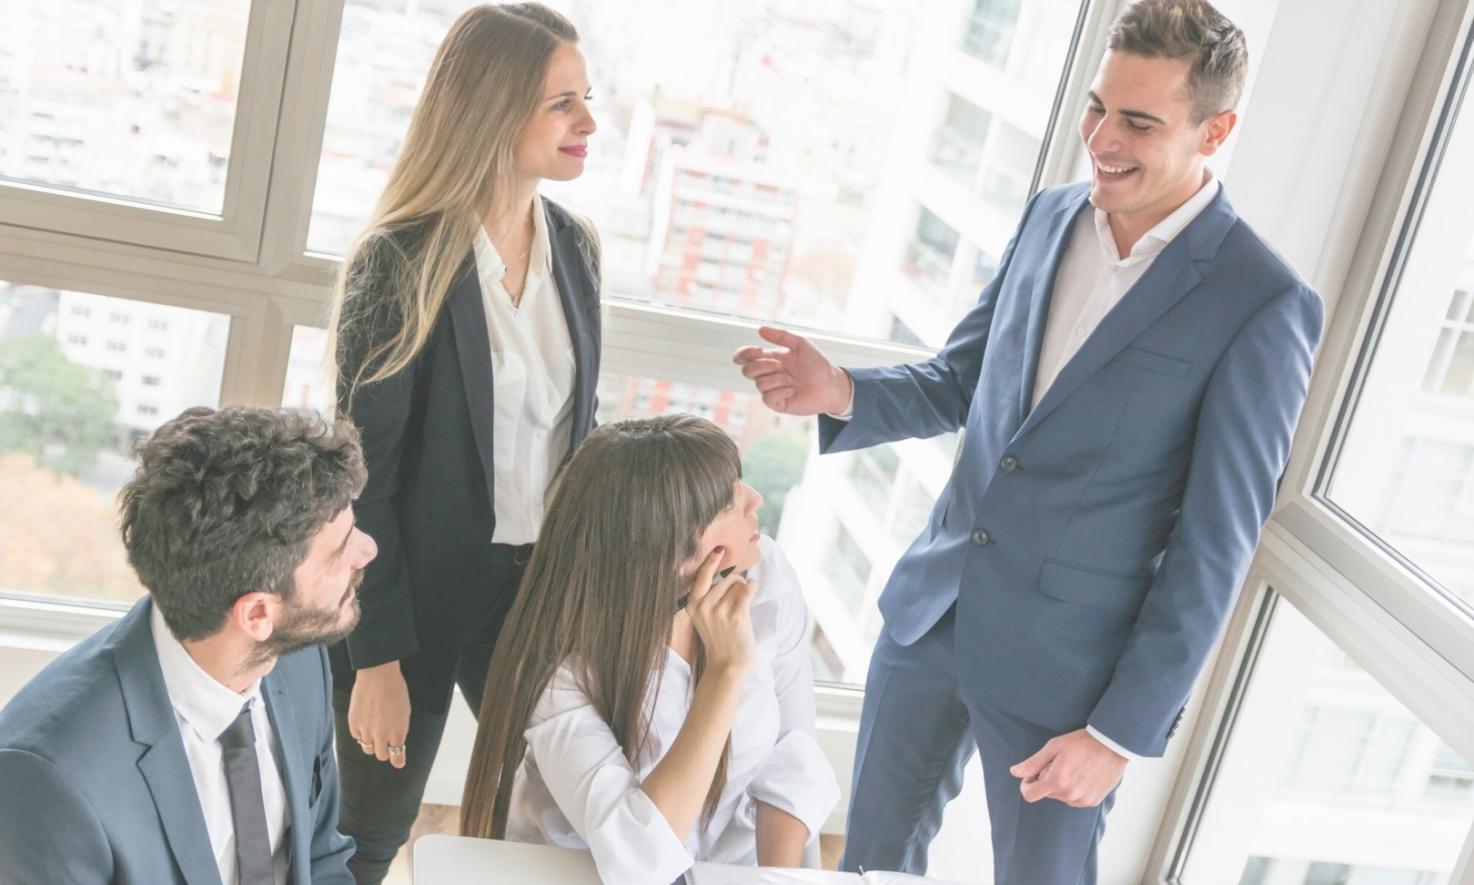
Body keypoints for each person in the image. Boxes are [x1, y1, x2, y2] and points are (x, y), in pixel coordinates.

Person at [733, 1, 1325, 881]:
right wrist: (843, 391)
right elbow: (963, 379)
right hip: (932, 616)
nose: (1102, 139)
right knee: (869, 868)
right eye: (1096, 107)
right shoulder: (1051, 217)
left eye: (1138, 123)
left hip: (1069, 686)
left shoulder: (1261, 303)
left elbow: (1215, 549)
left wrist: (1118, 732)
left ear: (1216, 130)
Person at [324, 4, 602, 880]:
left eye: (587, 99)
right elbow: (362, 478)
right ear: (493, 109)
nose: (588, 124)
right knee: (368, 834)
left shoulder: (575, 248)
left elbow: (576, 431)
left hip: (536, 592)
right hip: (411, 591)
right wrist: (376, 657)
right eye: (562, 103)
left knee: (573, 815)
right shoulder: (401, 261)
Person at [0, 406, 375, 885]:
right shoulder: (48, 778)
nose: (368, 550)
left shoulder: (298, 657)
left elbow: (321, 857)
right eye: (341, 550)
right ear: (257, 614)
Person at [459, 415, 839, 885]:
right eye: (727, 501)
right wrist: (726, 670)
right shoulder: (560, 671)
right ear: (668, 550)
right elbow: (641, 858)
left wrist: (777, 880)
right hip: (583, 874)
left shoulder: (767, 574)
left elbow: (791, 756)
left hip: (725, 868)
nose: (754, 499)